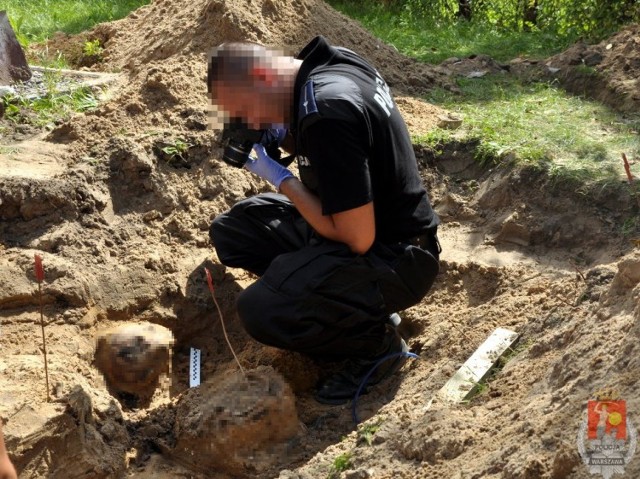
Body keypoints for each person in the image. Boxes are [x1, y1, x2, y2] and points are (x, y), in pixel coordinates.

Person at [207, 36, 441, 405]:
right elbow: (342, 157)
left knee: (260, 311)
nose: (249, 123)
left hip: (394, 254)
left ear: (265, 77)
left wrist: (281, 179)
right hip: (361, 217)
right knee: (236, 231)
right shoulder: (328, 66)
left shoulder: (326, 114)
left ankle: (376, 345)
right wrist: (285, 136)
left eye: (246, 110)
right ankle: (328, 296)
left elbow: (356, 239)